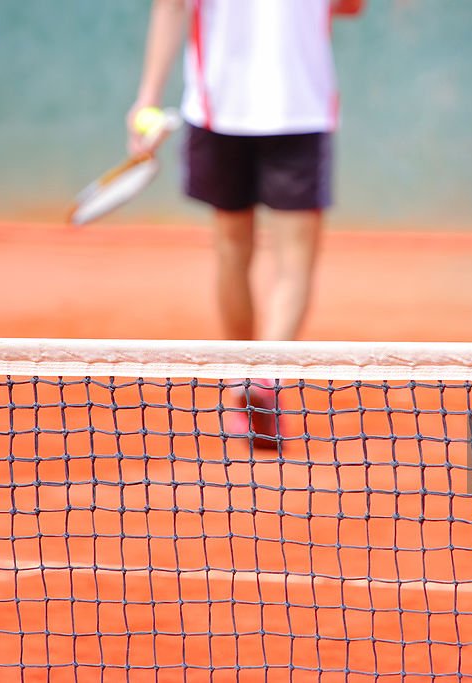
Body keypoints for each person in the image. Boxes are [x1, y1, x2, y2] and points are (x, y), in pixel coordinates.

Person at [130, 0, 365, 447]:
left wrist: (147, 98)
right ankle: (264, 377)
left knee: (232, 250)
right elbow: (350, 6)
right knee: (295, 263)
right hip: (300, 106)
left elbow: (170, 6)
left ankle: (243, 375)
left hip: (219, 108)